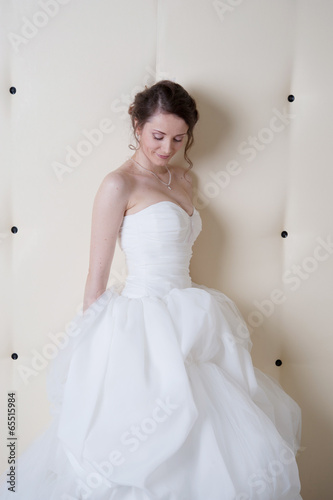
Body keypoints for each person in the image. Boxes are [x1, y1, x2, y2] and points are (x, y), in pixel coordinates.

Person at [0, 80, 303, 499]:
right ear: (137, 124)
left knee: (208, 426)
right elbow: (97, 275)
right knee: (141, 432)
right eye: (158, 136)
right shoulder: (117, 185)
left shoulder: (184, 178)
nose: (167, 147)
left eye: (179, 138)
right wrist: (89, 345)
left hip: (192, 315)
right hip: (143, 319)